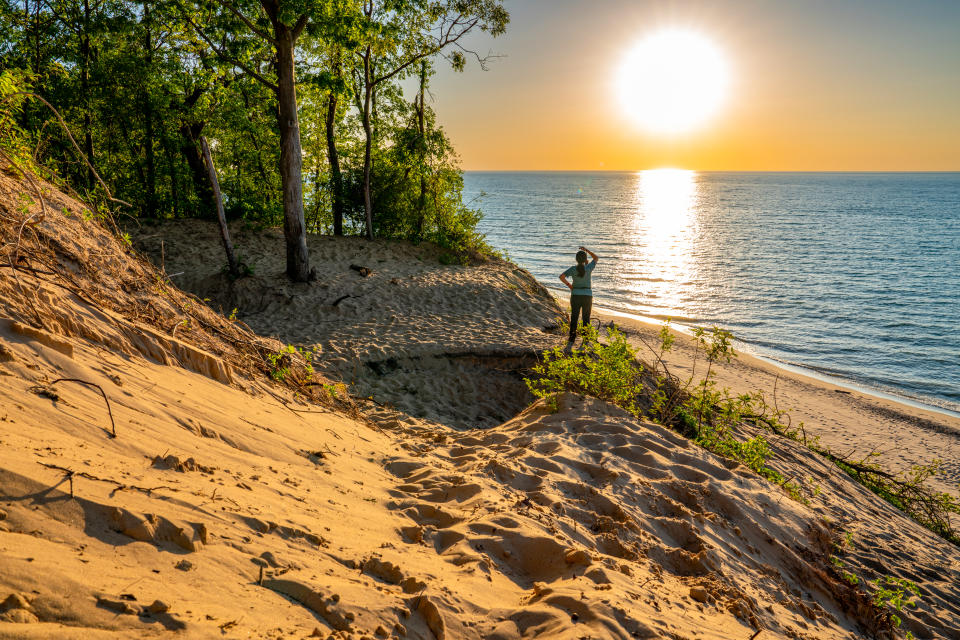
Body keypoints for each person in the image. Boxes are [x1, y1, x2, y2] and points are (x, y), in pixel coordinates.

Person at [559, 246, 598, 347]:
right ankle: (585, 340)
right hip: (587, 296)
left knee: (574, 317)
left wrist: (570, 286)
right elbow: (596, 258)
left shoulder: (572, 269)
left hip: (575, 295)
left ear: (576, 259)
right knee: (586, 318)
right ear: (585, 259)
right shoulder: (588, 268)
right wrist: (587, 250)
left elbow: (561, 277)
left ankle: (571, 339)